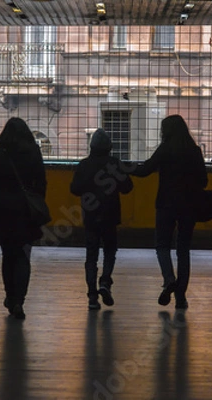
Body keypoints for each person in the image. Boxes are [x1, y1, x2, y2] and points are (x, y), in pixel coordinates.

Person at [130, 115, 208, 310]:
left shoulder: (165, 150)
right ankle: (181, 298)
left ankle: (169, 278)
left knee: (162, 245)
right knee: (183, 250)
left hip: (166, 205)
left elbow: (144, 170)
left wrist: (122, 167)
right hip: (189, 207)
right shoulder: (194, 151)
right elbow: (204, 181)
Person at [0, 117, 47, 319]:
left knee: (8, 256)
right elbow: (42, 181)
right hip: (25, 212)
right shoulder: (33, 151)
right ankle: (19, 301)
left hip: (3, 212)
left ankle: (10, 296)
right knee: (23, 256)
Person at [70, 128, 133, 310]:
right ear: (109, 147)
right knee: (110, 251)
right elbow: (127, 187)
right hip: (110, 216)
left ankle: (91, 296)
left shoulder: (84, 165)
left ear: (91, 146)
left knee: (91, 255)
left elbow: (74, 189)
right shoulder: (114, 164)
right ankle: (105, 281)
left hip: (90, 216)